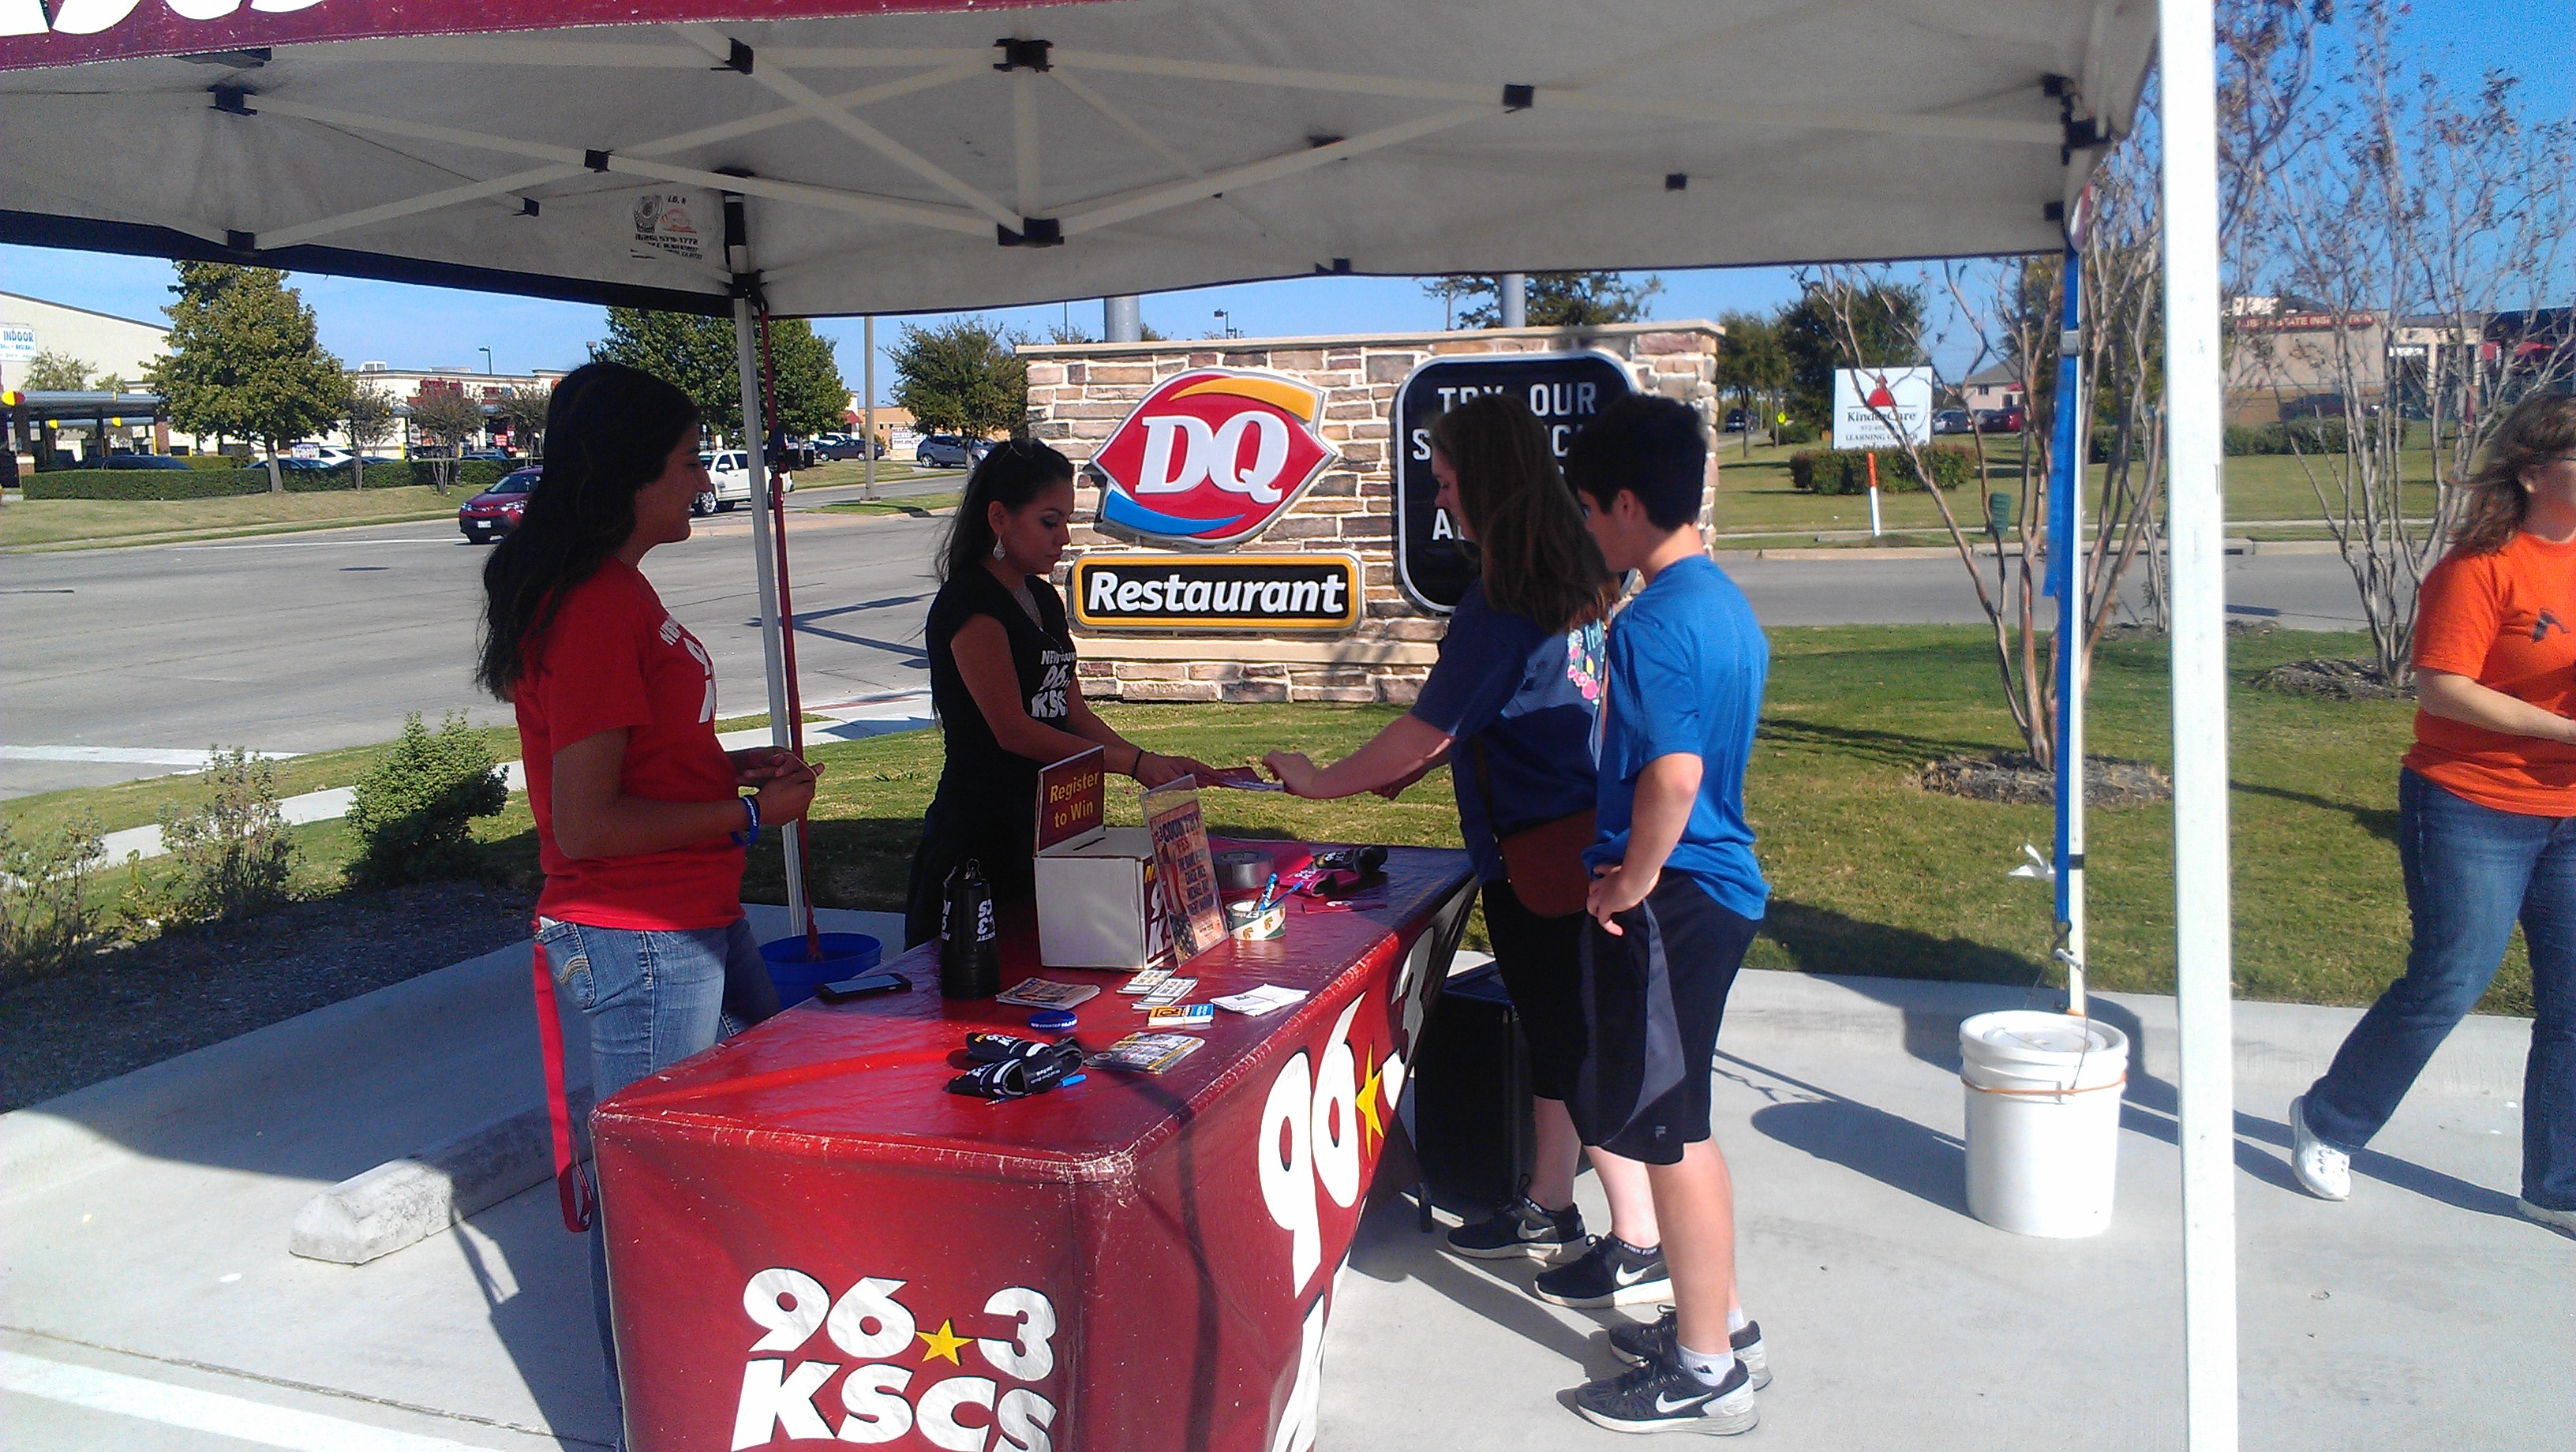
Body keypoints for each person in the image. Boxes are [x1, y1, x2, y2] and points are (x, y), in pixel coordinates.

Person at [1264, 394, 1690, 1312]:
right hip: (1575, 843)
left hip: (1544, 860)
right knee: (1552, 1034)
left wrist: (1322, 783)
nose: (1440, 498)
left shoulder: (1500, 601)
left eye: (1449, 481)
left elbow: (1431, 727)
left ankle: (1639, 1240)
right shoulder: (1573, 579)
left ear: (1488, 482)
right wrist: (1416, 764)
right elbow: (1480, 719)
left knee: (1576, 1049)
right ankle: (1549, 1205)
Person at [475, 361, 818, 1435]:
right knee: (651, 1197)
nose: (702, 480)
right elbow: (585, 825)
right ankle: (656, 1422)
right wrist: (749, 816)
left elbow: (639, 763)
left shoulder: (618, 591)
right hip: (643, 940)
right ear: (626, 475)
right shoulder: (591, 607)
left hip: (691, 919)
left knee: (744, 1151)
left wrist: (726, 771)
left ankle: (721, 1381)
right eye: (684, 462)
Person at [2290, 390, 2576, 1237]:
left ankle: (2556, 1186)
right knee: (2451, 979)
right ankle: (2329, 1119)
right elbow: (2444, 689)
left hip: (2570, 810)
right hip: (2471, 800)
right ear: (2534, 473)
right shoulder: (2479, 566)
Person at [1559, 394, 1769, 1435]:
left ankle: (1706, 1372)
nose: (1587, 529)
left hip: (1677, 897)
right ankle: (1720, 1323)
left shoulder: (1649, 622)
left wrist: (1631, 879)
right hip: (1715, 893)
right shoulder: (1723, 600)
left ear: (1629, 505)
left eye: (1590, 510)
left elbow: (1674, 776)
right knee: (1685, 1124)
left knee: (1667, 1137)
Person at [904, 438, 1249, 947]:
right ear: (998, 517)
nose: (1063, 537)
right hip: (979, 834)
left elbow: (1071, 710)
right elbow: (1013, 730)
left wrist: (1150, 761)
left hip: (1051, 825)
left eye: (1065, 521)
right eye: (1049, 522)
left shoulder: (1042, 597)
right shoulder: (972, 602)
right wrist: (1131, 765)